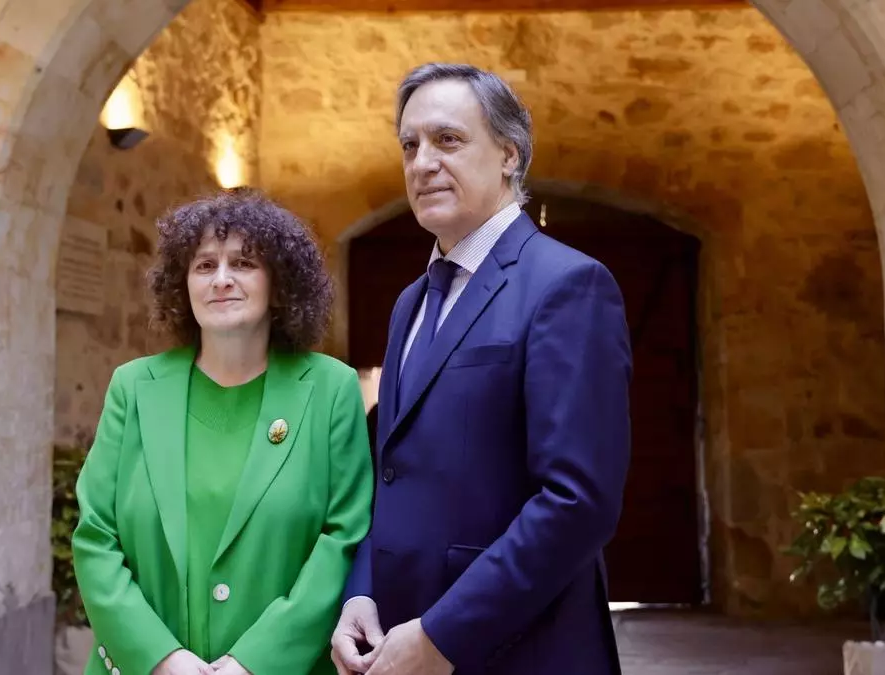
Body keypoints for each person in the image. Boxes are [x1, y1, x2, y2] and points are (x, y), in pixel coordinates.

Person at [330, 63, 633, 675]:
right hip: (395, 644)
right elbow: (393, 475)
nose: (422, 162)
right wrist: (360, 593)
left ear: (508, 155)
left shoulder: (569, 285)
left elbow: (577, 503)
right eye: (409, 145)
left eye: (448, 139)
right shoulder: (409, 303)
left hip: (522, 651)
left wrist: (442, 636)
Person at [73, 188, 375, 675]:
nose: (221, 279)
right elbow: (95, 537)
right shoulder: (133, 388)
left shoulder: (331, 389)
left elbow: (344, 537)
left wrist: (255, 662)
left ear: (279, 282)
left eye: (244, 263)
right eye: (204, 265)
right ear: (183, 284)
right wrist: (160, 657)